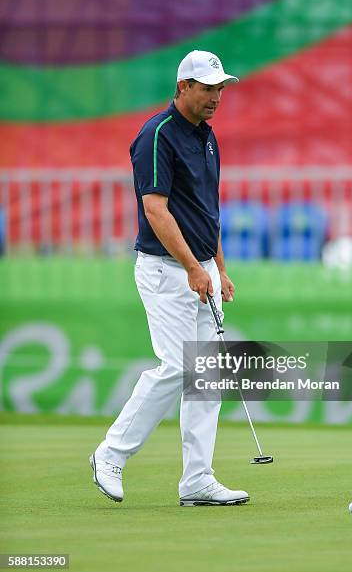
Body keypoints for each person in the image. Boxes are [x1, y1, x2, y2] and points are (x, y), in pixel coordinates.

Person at [90, 50, 249, 507]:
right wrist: (194, 268)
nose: (217, 96)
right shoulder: (156, 135)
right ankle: (110, 453)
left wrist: (217, 265)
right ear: (183, 87)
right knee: (178, 367)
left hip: (201, 271)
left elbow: (206, 209)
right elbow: (155, 209)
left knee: (206, 377)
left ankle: (197, 480)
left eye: (220, 88)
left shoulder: (207, 136)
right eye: (208, 88)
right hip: (165, 271)